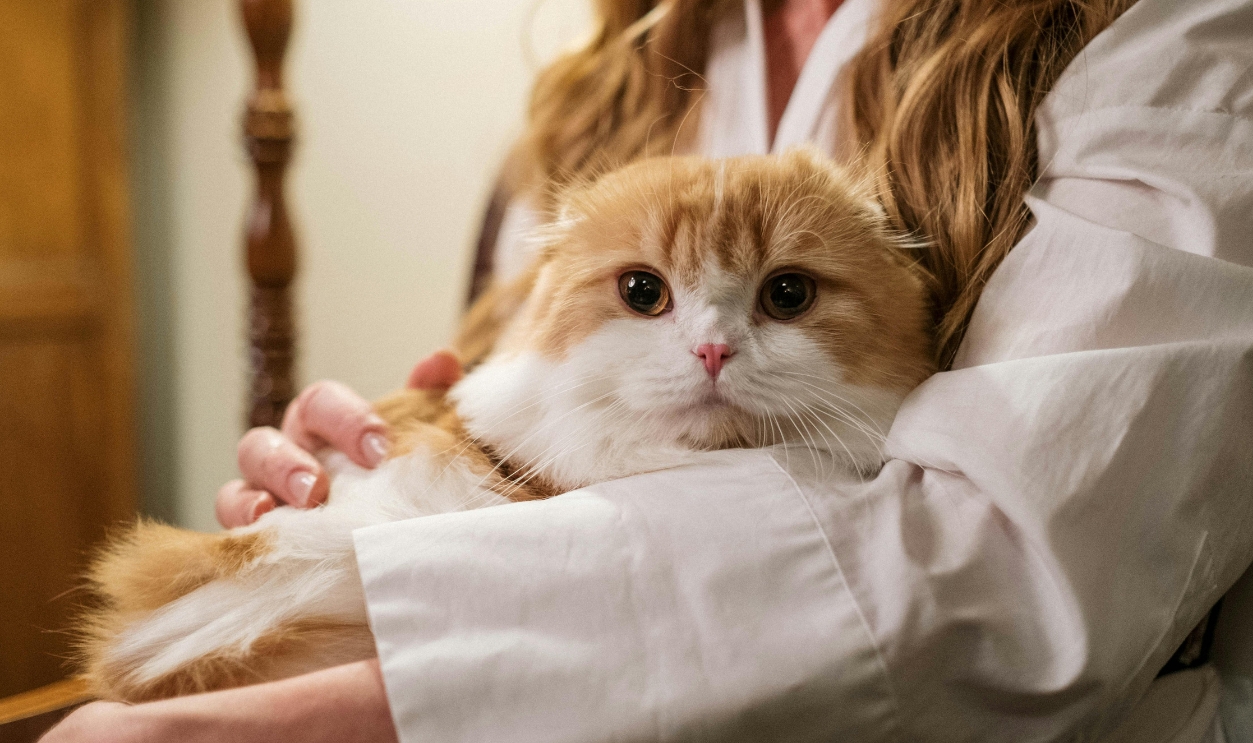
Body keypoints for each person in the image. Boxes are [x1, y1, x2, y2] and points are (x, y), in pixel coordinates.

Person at [45, 0, 1253, 740]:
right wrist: (366, 457)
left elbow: (1010, 583)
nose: (711, 341)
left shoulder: (1161, 34)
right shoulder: (599, 84)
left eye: (786, 291)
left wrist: (348, 693)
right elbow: (514, 395)